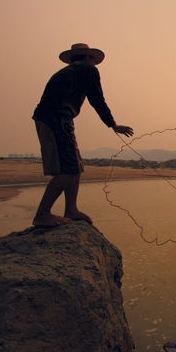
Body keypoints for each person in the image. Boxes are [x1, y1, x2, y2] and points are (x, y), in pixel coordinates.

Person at [32, 43, 133, 227]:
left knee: (76, 166)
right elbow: (97, 99)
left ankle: (71, 209)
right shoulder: (87, 69)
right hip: (55, 118)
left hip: (59, 118)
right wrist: (113, 124)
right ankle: (42, 214)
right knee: (68, 169)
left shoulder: (70, 71)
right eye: (93, 60)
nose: (95, 64)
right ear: (89, 58)